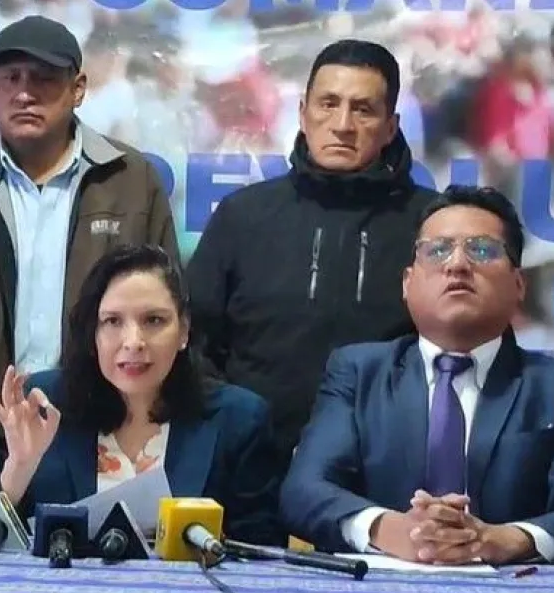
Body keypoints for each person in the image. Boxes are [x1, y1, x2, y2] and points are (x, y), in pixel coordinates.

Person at [0, 16, 179, 483]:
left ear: (78, 89)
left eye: (43, 78)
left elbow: (164, 310)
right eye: (10, 78)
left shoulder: (129, 179)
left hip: (98, 431)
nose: (23, 93)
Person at [281, 185, 554, 566]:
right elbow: (304, 490)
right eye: (437, 250)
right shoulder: (358, 372)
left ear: (519, 284)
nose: (457, 265)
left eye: (482, 250)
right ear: (407, 282)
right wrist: (392, 530)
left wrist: (503, 539)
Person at [186, 39, 438, 464]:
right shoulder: (243, 216)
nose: (342, 124)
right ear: (303, 113)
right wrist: (230, 427)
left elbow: (461, 351)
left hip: (385, 473)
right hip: (248, 468)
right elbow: (191, 341)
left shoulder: (432, 226)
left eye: (363, 109)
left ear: (391, 126)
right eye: (328, 104)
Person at [0, 245, 282, 546]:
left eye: (154, 320)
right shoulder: (41, 404)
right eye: (113, 321)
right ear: (92, 333)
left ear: (184, 331)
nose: (133, 341)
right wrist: (19, 468)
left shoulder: (238, 421)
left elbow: (262, 554)